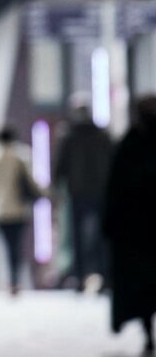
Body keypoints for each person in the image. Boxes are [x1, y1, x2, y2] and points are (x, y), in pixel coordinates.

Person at [104, 96, 156, 355]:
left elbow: (115, 188)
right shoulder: (130, 143)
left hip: (136, 231)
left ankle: (148, 333)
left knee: (143, 287)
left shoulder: (130, 143)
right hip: (140, 230)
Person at [0, 126, 44, 295]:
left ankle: (7, 281)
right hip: (18, 210)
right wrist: (43, 194)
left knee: (4, 246)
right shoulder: (20, 156)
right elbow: (30, 182)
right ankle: (14, 280)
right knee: (16, 247)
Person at [53, 99, 112, 291]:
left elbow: (60, 166)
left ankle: (79, 276)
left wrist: (56, 188)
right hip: (100, 191)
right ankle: (103, 275)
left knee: (76, 237)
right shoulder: (102, 135)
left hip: (77, 191)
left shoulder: (69, 136)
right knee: (102, 236)